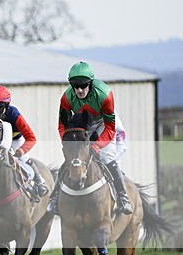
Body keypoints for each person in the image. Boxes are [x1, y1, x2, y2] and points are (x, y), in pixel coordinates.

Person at [47, 61, 133, 215]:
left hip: (103, 124)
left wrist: (97, 146)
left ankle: (123, 197)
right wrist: (68, 144)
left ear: (91, 83)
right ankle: (54, 198)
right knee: (72, 159)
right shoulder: (67, 97)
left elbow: (110, 129)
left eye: (83, 85)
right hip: (82, 125)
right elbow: (62, 126)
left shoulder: (105, 95)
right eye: (75, 86)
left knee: (107, 157)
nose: (79, 90)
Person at [0, 85, 49, 202]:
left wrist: (20, 151)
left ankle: (39, 182)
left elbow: (31, 138)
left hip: (16, 140)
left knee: (25, 160)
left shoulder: (14, 114)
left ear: (6, 105)